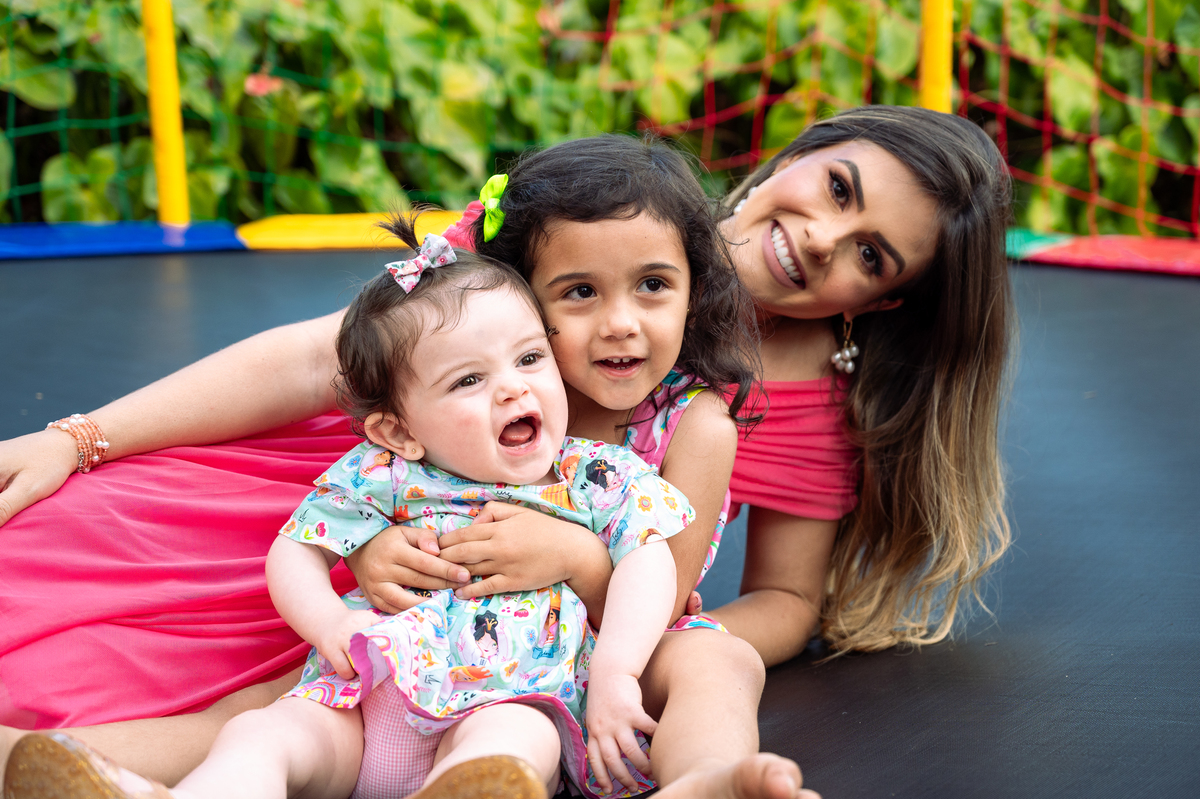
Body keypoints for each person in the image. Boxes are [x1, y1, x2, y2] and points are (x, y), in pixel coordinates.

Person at [1, 105, 1012, 799]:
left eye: (871, 251)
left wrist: (602, 604)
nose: (823, 237)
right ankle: (65, 763)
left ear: (884, 299)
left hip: (570, 612)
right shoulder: (595, 215)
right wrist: (79, 438)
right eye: (836, 187)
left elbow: (726, 581)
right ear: (803, 150)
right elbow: (324, 359)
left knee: (713, 659)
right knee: (276, 691)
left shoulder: (733, 413)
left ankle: (697, 778)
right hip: (387, 524)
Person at [5, 216, 696, 799]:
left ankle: (462, 785)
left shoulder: (597, 472)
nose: (513, 390)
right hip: (364, 699)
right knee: (263, 731)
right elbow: (297, 549)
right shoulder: (383, 473)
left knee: (516, 741)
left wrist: (613, 675)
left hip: (505, 696)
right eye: (469, 379)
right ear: (400, 427)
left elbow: (648, 559)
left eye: (527, 360)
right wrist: (329, 619)